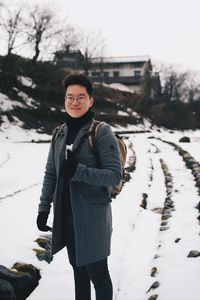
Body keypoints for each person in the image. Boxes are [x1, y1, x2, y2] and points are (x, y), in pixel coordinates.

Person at [36, 73, 122, 300]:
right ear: (64, 100)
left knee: (98, 273)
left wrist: (79, 172)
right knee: (78, 271)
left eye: (81, 97)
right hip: (66, 216)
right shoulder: (59, 133)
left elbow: (114, 175)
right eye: (70, 97)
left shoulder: (101, 132)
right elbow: (51, 173)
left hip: (92, 217)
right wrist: (44, 208)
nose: (75, 102)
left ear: (91, 100)